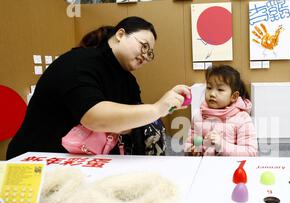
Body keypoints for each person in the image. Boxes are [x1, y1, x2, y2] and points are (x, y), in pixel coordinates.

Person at [7, 16, 189, 159]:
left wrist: (160, 110)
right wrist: (157, 108)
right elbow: (94, 118)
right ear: (120, 35)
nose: (145, 55)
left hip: (80, 162)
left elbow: (127, 124)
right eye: (143, 46)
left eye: (150, 53)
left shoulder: (128, 80)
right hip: (37, 160)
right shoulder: (78, 63)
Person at [184, 65, 258, 156]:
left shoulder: (242, 118)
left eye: (220, 89)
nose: (212, 94)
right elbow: (190, 144)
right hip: (204, 168)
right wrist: (193, 151)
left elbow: (251, 152)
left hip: (231, 168)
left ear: (234, 96)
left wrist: (221, 145)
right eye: (209, 87)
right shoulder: (199, 116)